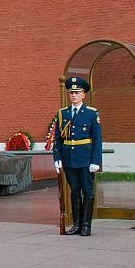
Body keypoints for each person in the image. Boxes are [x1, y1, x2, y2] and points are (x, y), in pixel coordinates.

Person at [53, 77, 102, 236]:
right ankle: (76, 225)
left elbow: (97, 139)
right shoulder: (62, 113)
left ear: (83, 95)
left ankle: (86, 225)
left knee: (87, 191)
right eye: (71, 92)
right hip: (69, 159)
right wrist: (57, 157)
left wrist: (96, 161)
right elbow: (58, 139)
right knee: (74, 191)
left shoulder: (91, 113)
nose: (73, 95)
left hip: (86, 158)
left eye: (77, 92)